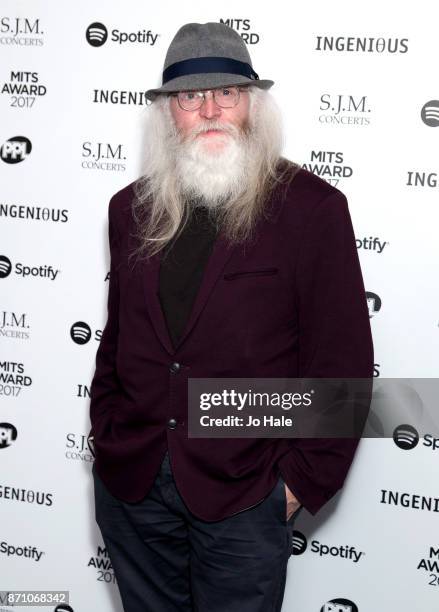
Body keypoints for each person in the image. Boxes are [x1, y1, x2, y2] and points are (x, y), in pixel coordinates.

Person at [88, 21, 374, 612]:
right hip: (134, 485)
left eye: (227, 93)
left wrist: (296, 485)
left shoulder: (312, 209)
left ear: (252, 105)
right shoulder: (128, 209)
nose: (210, 110)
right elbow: (119, 340)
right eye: (190, 97)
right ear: (168, 113)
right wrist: (108, 434)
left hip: (246, 491)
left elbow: (342, 366)